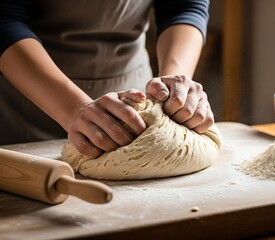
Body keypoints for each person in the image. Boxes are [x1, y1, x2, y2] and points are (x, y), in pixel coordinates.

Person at [0, 0, 214, 158]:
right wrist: (74, 107)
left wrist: (173, 84)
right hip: (25, 106)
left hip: (133, 102)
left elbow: (182, 6)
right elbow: (5, 19)